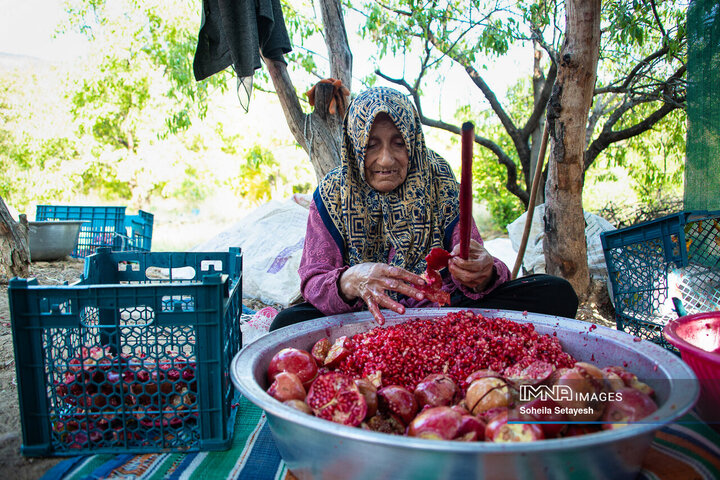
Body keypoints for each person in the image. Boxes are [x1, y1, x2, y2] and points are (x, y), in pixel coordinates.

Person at [270, 87, 578, 331]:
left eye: (399, 142)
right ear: (354, 145)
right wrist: (350, 280)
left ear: (414, 141)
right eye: (372, 144)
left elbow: (473, 258)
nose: (387, 160)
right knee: (286, 324)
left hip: (443, 311)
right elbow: (313, 280)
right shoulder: (332, 193)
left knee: (555, 293)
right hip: (360, 317)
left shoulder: (439, 179)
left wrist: (480, 270)